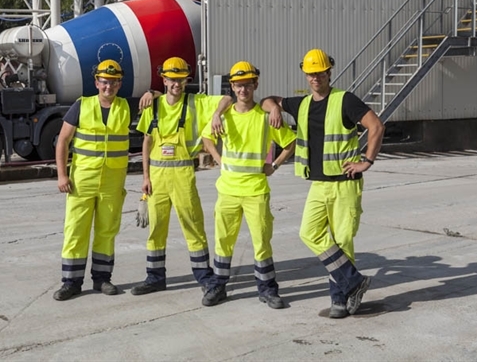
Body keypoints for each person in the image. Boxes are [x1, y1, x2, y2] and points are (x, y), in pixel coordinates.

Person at [261, 48, 385, 319]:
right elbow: (267, 99)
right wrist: (274, 110)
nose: (315, 78)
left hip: (345, 183)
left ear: (329, 72)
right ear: (305, 75)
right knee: (309, 233)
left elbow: (376, 126)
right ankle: (353, 282)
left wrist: (367, 160)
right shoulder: (302, 104)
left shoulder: (345, 101)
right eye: (310, 74)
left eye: (319, 73)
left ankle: (339, 301)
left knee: (342, 241)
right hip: (318, 184)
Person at [131, 56, 232, 297]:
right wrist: (145, 177)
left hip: (183, 176)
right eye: (172, 79)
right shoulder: (153, 106)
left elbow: (228, 98)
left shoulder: (197, 103)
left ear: (187, 80)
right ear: (164, 80)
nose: (177, 84)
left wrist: (217, 113)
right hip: (156, 177)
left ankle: (204, 277)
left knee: (193, 226)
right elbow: (146, 142)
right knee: (156, 228)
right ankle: (155, 277)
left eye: (181, 79)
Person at [200, 61, 296, 309]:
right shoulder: (223, 117)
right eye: (238, 85)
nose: (243, 90)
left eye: (247, 85)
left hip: (255, 191)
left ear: (255, 85)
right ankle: (218, 286)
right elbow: (206, 138)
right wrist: (219, 160)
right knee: (223, 241)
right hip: (228, 191)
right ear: (232, 86)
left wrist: (273, 166)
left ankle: (267, 290)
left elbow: (290, 143)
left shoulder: (265, 118)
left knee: (262, 241)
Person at [53, 59, 131, 301]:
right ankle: (71, 282)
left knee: (107, 231)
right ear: (97, 82)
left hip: (112, 182)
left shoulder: (127, 106)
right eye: (104, 82)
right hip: (82, 180)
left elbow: (161, 100)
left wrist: (153, 91)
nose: (109, 86)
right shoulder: (81, 105)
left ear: (119, 84)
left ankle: (102, 279)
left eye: (114, 82)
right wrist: (62, 174)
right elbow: (63, 141)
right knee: (76, 230)